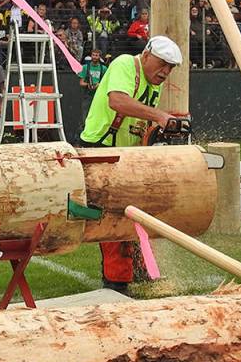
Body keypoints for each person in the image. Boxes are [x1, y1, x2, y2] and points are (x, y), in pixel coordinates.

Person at [78, 35, 181, 295]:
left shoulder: (153, 86)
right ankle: (116, 279)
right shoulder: (125, 64)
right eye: (163, 64)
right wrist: (159, 116)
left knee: (138, 212)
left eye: (171, 67)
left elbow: (141, 124)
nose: (166, 71)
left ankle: (140, 268)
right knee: (113, 218)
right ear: (147, 55)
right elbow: (118, 101)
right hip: (101, 149)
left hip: (126, 154)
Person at [78, 49, 107, 133]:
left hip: (99, 95)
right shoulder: (85, 67)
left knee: (99, 117)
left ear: (99, 57)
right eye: (93, 55)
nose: (94, 57)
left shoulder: (104, 68)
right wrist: (88, 85)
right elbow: (81, 82)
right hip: (88, 95)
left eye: (96, 55)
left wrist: (99, 85)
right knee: (85, 117)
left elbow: (106, 82)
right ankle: (81, 139)